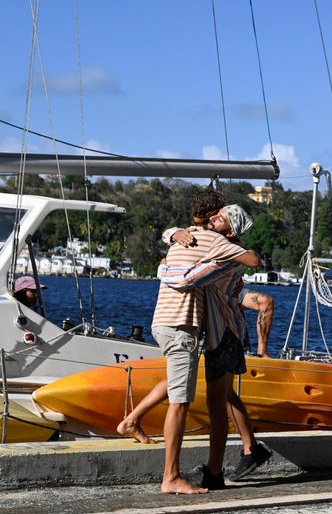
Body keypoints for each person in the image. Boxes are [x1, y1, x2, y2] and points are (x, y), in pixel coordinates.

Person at [118, 201, 271, 488]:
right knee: (220, 397)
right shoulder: (217, 246)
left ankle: (217, 470)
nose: (213, 219)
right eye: (214, 215)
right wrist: (173, 233)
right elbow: (180, 239)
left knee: (218, 403)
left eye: (220, 218)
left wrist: (164, 268)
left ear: (231, 231)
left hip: (225, 333)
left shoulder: (226, 255)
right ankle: (246, 451)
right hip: (216, 333)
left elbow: (193, 277)